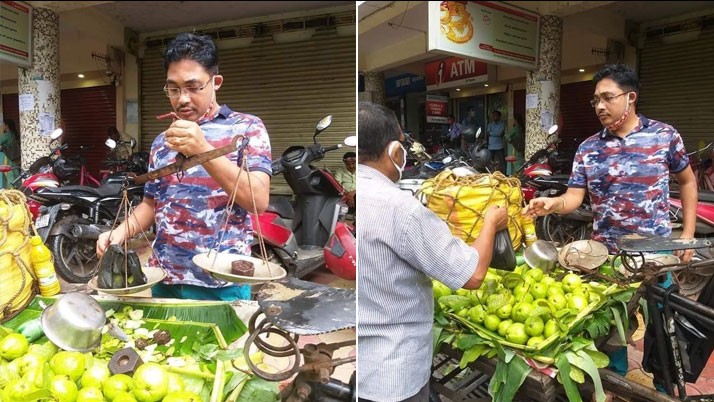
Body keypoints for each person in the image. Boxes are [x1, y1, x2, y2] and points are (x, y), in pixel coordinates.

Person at [524, 64, 697, 397]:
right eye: (595, 100)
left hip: (656, 250)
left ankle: (663, 387)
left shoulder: (664, 135)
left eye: (607, 97)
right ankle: (613, 386)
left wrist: (687, 234)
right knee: (613, 327)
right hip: (609, 255)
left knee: (662, 326)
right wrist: (552, 204)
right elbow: (575, 198)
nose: (600, 106)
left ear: (630, 97)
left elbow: (687, 181)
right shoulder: (589, 148)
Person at [96, 32, 272, 301]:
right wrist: (119, 232)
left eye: (193, 87)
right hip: (164, 277)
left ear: (216, 82)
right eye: (173, 88)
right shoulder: (162, 142)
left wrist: (203, 149)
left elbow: (257, 200)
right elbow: (151, 204)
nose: (182, 99)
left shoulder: (247, 128)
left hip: (222, 281)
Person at [357, 101, 508, 402]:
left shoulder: (352, 196)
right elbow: (473, 274)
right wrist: (491, 222)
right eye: (402, 144)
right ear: (393, 152)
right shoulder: (402, 209)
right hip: (395, 374)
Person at [0, 119, 20, 188]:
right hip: (14, 157)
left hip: (7, 157)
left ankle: (10, 188)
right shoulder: (14, 134)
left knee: (8, 172)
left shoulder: (7, 135)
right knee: (15, 171)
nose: (3, 126)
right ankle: (17, 186)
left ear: (7, 126)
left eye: (4, 124)